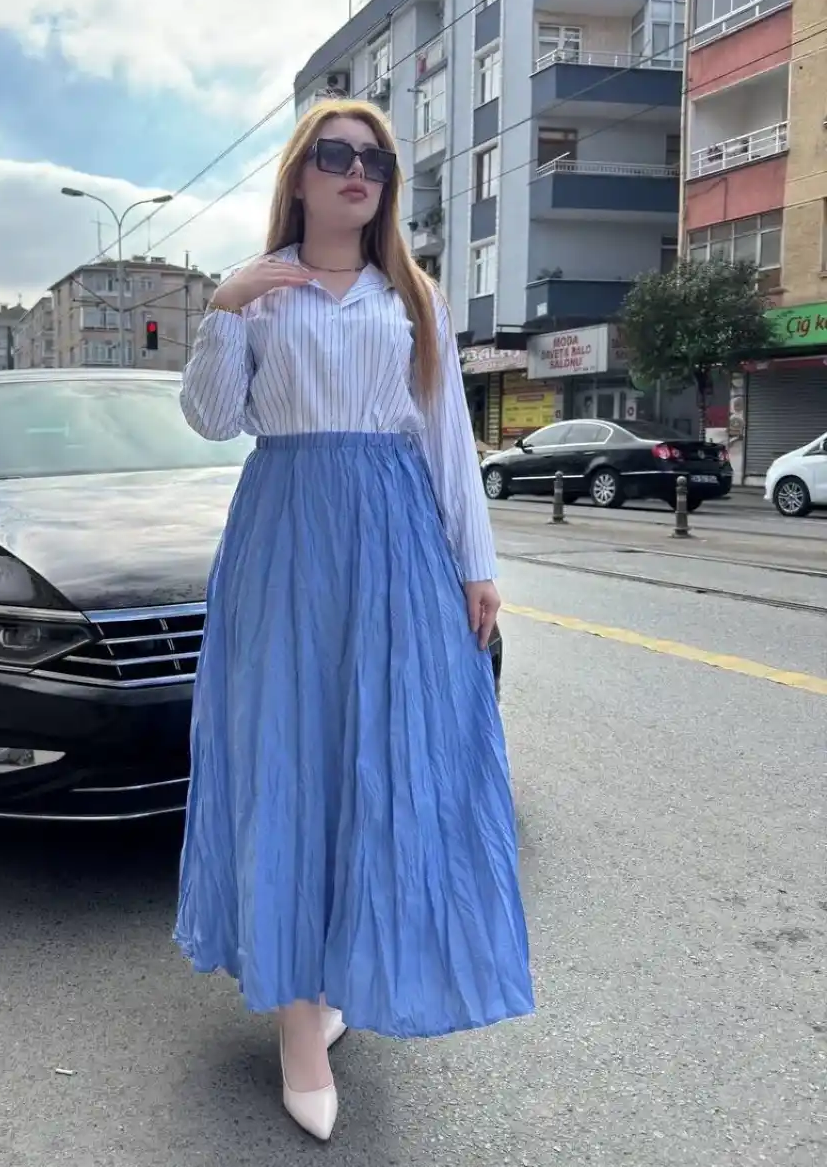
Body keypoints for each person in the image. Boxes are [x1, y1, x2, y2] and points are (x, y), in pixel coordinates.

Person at [174, 100, 534, 1141]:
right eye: (334, 155)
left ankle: (336, 977)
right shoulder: (260, 291)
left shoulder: (409, 295)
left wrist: (475, 565)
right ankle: (299, 1028)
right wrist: (224, 306)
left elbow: (445, 435)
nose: (356, 172)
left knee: (377, 762)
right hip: (284, 538)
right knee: (287, 764)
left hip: (393, 542)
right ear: (299, 174)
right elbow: (212, 418)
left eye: (373, 159)